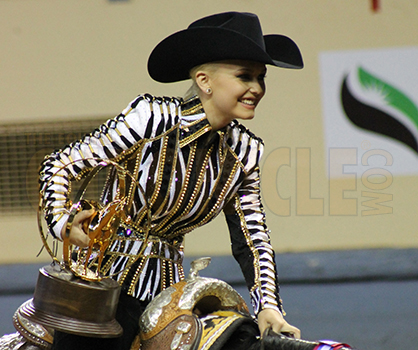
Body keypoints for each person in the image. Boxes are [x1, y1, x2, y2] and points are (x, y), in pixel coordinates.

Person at [38, 11, 304, 350]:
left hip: (171, 292)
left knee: (240, 338)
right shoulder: (151, 119)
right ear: (205, 80)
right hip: (105, 283)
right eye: (245, 76)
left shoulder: (245, 153)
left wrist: (268, 306)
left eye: (261, 78)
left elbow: (252, 240)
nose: (257, 88)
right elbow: (60, 164)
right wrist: (62, 224)